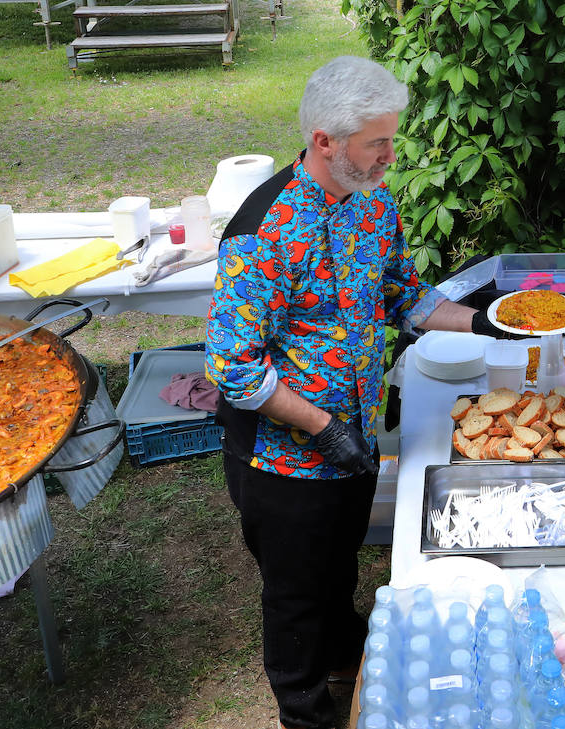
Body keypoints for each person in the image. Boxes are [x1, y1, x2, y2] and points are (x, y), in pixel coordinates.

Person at [205, 56, 505, 729]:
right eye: (378, 143)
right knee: (293, 592)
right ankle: (303, 708)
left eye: (391, 140)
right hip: (283, 458)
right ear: (325, 142)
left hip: (356, 436)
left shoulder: (372, 202)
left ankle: (345, 651)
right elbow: (235, 369)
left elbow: (402, 291)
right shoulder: (263, 234)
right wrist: (320, 425)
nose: (390, 157)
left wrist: (487, 319)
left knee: (339, 557)